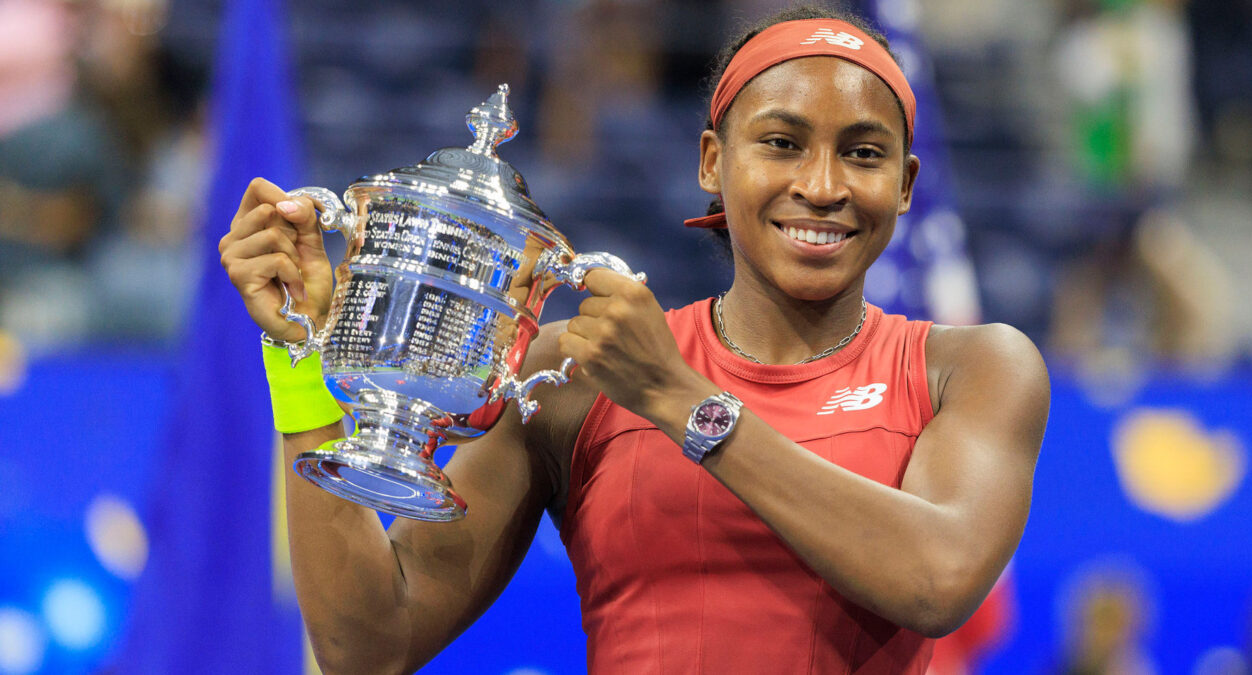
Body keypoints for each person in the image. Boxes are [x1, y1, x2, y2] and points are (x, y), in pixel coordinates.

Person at [218, 5, 1049, 673]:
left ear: (905, 186)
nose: (822, 186)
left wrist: (679, 399)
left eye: (863, 154)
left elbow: (938, 580)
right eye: (782, 144)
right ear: (710, 162)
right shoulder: (574, 377)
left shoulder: (973, 368)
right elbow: (369, 646)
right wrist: (299, 355)